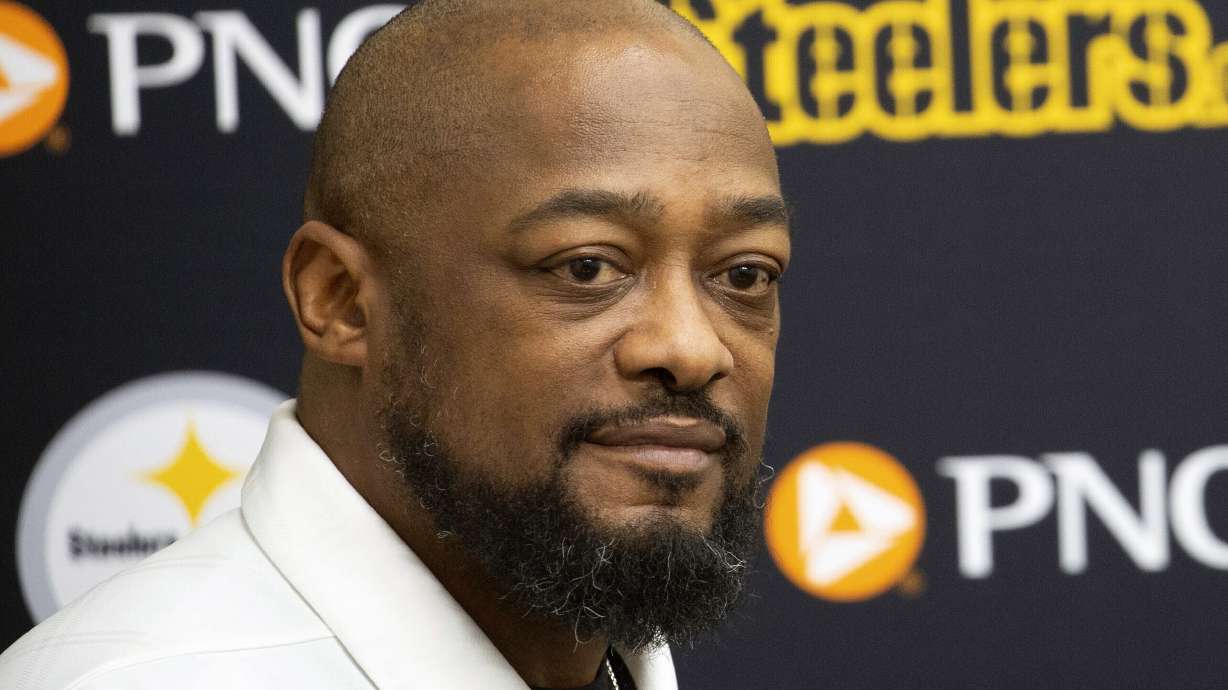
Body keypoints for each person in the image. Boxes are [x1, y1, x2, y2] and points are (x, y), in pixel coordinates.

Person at [0, 0, 791, 687]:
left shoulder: (606, 655)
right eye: (586, 267)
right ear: (340, 299)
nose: (692, 348)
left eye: (746, 275)